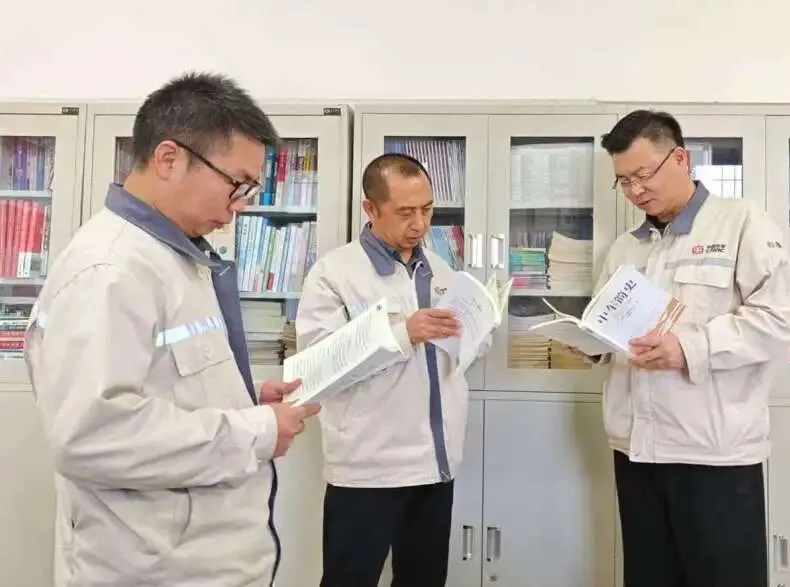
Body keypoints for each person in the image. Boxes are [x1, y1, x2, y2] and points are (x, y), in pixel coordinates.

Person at [23, 71, 321, 587]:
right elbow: (91, 435)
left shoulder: (173, 255)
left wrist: (246, 397)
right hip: (156, 569)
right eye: (237, 183)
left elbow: (167, 381)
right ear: (168, 158)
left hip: (204, 559)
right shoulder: (110, 270)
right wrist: (258, 430)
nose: (241, 204)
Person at [587, 110, 790, 587]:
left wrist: (688, 348)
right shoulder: (625, 248)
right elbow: (606, 324)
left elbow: (779, 319)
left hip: (714, 456)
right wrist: (591, 344)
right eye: (624, 181)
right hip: (637, 452)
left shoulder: (742, 223)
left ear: (680, 159)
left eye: (643, 174)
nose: (635, 190)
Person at [295, 153, 490, 587]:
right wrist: (404, 333)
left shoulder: (440, 270)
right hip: (369, 468)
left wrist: (477, 332)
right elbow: (318, 366)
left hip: (436, 463)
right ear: (370, 208)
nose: (420, 224)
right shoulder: (334, 274)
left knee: (424, 579)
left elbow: (455, 357)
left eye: (427, 210)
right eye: (405, 212)